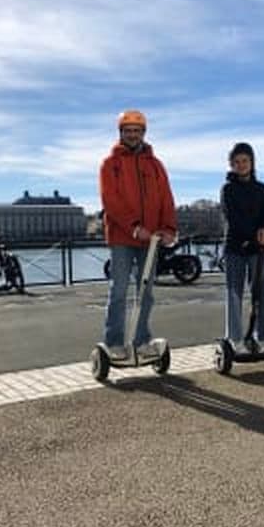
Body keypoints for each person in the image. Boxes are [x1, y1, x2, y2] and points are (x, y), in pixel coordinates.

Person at [99, 110, 177, 360]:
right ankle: (114, 342)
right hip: (123, 237)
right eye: (128, 131)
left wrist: (168, 228)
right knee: (119, 291)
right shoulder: (110, 164)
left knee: (146, 293)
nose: (132, 135)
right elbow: (111, 200)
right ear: (121, 133)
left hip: (151, 239)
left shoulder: (155, 165)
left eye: (137, 131)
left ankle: (142, 340)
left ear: (143, 133)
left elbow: (166, 198)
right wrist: (133, 226)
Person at [220, 142, 264, 353]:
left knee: (263, 292)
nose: (241, 165)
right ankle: (235, 338)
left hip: (259, 249)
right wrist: (252, 236)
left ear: (252, 163)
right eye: (236, 162)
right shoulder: (228, 189)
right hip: (236, 247)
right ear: (231, 165)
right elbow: (232, 217)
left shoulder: (261, 188)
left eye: (245, 161)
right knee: (235, 293)